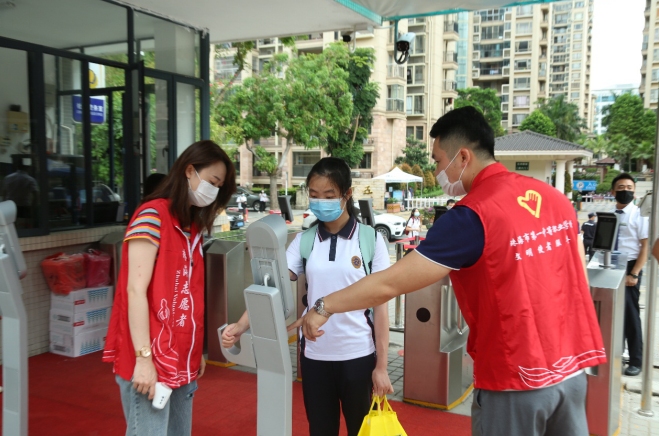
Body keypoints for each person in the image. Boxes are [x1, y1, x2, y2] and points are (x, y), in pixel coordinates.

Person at [291, 107, 605, 436]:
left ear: (463, 157)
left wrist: (324, 307)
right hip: (572, 372)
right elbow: (576, 277)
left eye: (439, 161)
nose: (438, 170)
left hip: (516, 377)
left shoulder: (473, 215)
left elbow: (390, 284)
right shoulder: (555, 198)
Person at [222, 157, 393, 436]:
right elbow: (272, 288)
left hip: (359, 357)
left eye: (329, 195)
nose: (320, 202)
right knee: (321, 430)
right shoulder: (304, 241)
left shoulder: (371, 240)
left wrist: (382, 367)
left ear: (347, 194)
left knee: (362, 432)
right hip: (315, 358)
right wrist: (241, 326)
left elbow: (382, 308)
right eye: (314, 195)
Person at [103, 140, 236, 436]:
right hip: (150, 357)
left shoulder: (191, 227)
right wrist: (143, 359)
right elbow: (134, 291)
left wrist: (195, 351)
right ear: (190, 171)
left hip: (181, 356)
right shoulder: (152, 216)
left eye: (219, 187)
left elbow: (188, 296)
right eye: (212, 182)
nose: (213, 191)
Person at [610, 173, 649, 377]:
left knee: (631, 314)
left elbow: (645, 246)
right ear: (613, 191)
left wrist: (634, 273)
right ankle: (617, 354)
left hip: (630, 267)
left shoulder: (640, 214)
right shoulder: (610, 214)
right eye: (621, 187)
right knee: (613, 313)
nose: (626, 191)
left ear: (635, 191)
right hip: (611, 264)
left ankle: (636, 360)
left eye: (629, 187)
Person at [1, 162, 38, 226]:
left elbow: (4, 193)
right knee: (25, 225)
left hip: (10, 206)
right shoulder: (30, 179)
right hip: (25, 206)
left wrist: (4, 205)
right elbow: (36, 194)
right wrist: (33, 207)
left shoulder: (8, 178)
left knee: (11, 225)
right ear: (28, 168)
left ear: (17, 167)